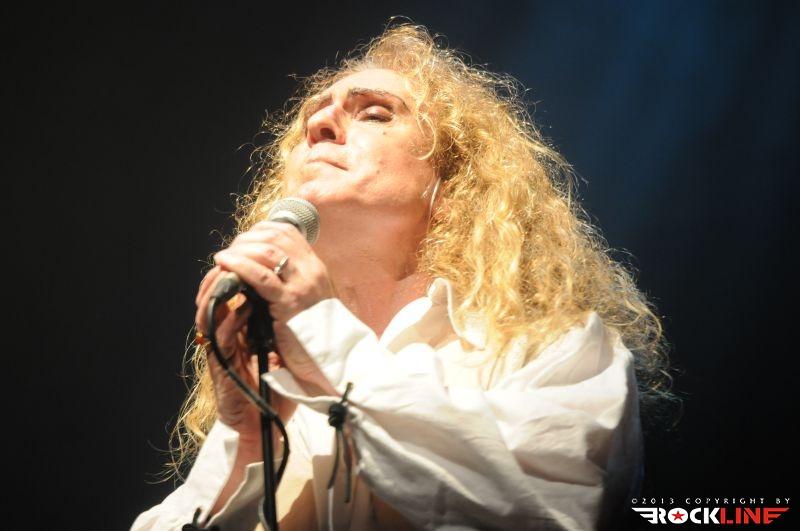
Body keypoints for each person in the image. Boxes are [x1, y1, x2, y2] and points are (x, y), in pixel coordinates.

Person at [132, 22, 673, 531]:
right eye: (312, 120)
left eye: (374, 114)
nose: (319, 126)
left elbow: (561, 504)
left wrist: (325, 337)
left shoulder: (552, 345)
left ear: (454, 184)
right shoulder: (279, 392)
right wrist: (246, 439)